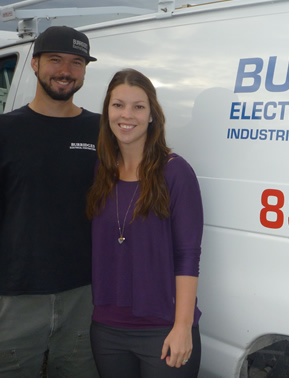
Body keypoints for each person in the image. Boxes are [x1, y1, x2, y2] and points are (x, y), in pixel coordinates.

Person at [86, 68, 203, 377]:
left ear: (152, 115)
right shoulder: (101, 171)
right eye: (118, 105)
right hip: (107, 330)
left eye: (138, 106)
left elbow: (188, 256)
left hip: (163, 329)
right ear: (107, 111)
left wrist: (182, 326)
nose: (127, 115)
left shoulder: (176, 173)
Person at [0, 26, 100, 377]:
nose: (66, 71)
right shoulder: (6, 131)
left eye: (76, 62)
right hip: (15, 297)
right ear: (35, 64)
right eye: (55, 59)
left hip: (84, 294)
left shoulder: (101, 131)